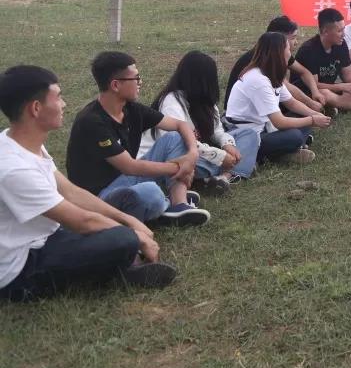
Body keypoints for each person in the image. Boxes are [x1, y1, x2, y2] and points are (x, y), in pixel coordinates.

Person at [1, 65, 176, 301]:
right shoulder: (14, 168)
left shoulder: (23, 143)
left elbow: (71, 192)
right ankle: (124, 267)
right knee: (123, 239)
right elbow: (81, 221)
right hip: (23, 265)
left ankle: (123, 260)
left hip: (49, 234)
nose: (64, 104)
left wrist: (127, 219)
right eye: (58, 97)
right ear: (36, 108)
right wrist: (134, 234)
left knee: (126, 204)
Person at [66, 52, 209, 227]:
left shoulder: (130, 109)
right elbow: (129, 166)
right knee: (150, 193)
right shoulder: (92, 121)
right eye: (136, 78)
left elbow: (180, 125)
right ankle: (161, 204)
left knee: (175, 137)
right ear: (116, 85)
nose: (140, 82)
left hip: (126, 180)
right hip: (99, 198)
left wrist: (192, 155)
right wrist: (180, 167)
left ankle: (179, 204)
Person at [138, 51, 260, 192]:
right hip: (169, 157)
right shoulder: (172, 102)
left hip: (201, 151)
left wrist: (227, 144)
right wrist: (219, 157)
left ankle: (224, 177)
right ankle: (239, 166)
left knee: (248, 134)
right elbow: (180, 142)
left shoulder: (205, 101)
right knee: (189, 163)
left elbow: (217, 130)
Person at [224, 32, 332, 164]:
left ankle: (285, 151)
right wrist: (312, 120)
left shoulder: (270, 73)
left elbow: (291, 102)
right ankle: (272, 155)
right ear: (278, 54)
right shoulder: (258, 80)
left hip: (266, 127)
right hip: (249, 135)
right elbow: (279, 122)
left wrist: (315, 114)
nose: (290, 53)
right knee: (295, 136)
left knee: (302, 117)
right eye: (288, 49)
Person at [225, 16, 329, 115]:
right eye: (293, 38)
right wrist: (310, 104)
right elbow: (286, 88)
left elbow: (304, 72)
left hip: (259, 105)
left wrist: (315, 92)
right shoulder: (262, 60)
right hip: (245, 113)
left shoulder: (278, 53)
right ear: (279, 39)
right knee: (300, 115)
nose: (296, 42)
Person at [293, 8, 351, 111]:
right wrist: (341, 87)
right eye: (339, 31)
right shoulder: (309, 50)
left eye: (344, 29)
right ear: (325, 31)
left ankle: (336, 105)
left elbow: (348, 76)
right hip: (309, 91)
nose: (344, 34)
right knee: (325, 94)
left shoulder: (341, 44)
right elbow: (314, 85)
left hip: (333, 89)